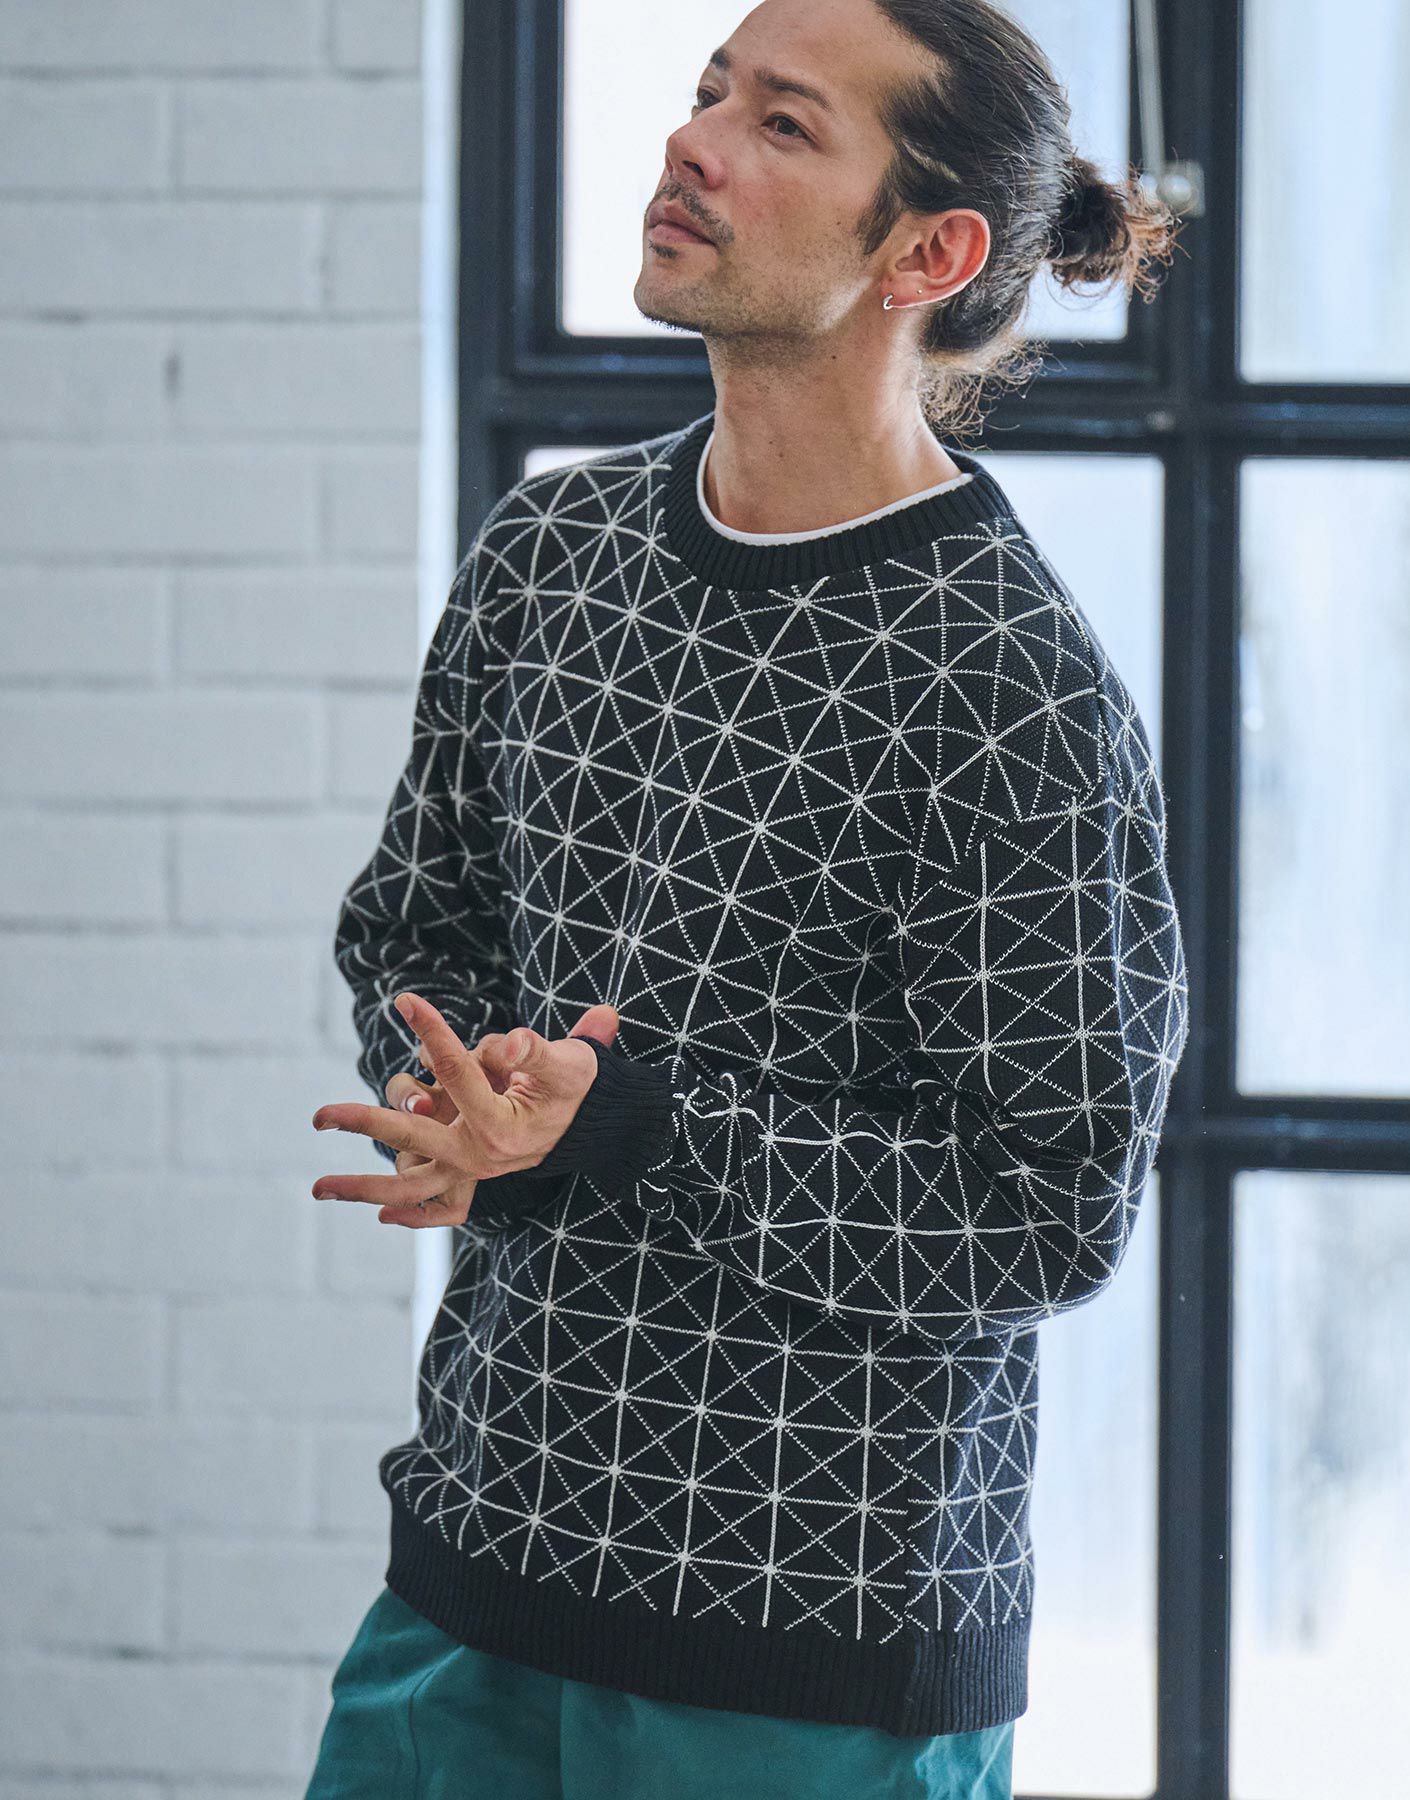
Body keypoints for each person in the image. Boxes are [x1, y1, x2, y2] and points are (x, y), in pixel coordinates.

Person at [305, 0, 1187, 1793]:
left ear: (927, 254)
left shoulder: (1010, 686)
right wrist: (467, 1102)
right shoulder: (549, 556)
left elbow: (1047, 1205)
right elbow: (415, 927)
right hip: (471, 1577)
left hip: (814, 1670)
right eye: (710, 92)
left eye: (784, 124)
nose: (692, 143)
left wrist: (633, 1127)